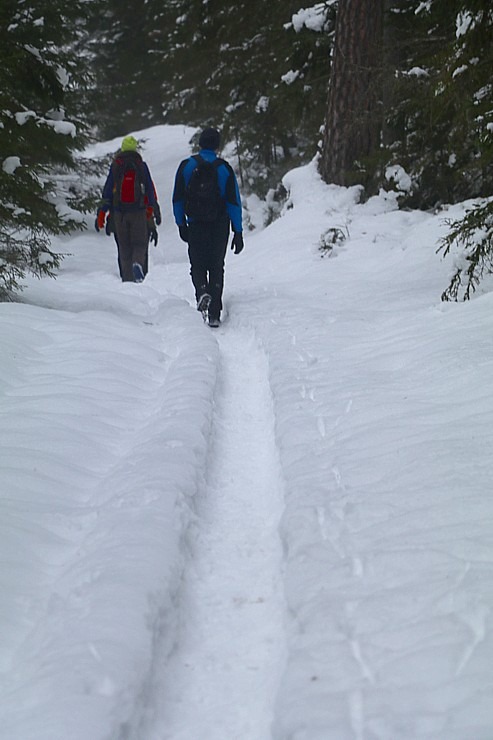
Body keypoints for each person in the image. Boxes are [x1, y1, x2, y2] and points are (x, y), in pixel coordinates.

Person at [172, 127, 243, 327]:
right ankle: (214, 314)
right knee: (216, 266)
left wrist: (181, 224)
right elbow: (233, 202)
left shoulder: (187, 166)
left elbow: (177, 198)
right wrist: (238, 231)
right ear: (217, 145)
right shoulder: (224, 168)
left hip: (195, 224)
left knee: (198, 264)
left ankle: (202, 291)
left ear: (200, 143)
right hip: (219, 224)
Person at [95, 135, 160, 282]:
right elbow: (149, 189)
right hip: (139, 211)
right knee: (139, 244)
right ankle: (137, 265)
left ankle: (127, 279)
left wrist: (102, 212)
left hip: (119, 213)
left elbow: (107, 191)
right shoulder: (141, 166)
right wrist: (153, 208)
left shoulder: (116, 166)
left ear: (123, 149)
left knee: (124, 246)